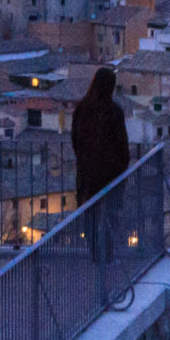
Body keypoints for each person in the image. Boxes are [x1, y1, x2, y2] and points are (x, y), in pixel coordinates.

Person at [71, 66, 132, 264]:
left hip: (87, 173)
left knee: (90, 215)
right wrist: (122, 166)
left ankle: (95, 254)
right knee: (111, 215)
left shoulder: (81, 109)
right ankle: (108, 255)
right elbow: (122, 144)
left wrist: (83, 161)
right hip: (111, 174)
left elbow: (75, 140)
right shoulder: (114, 111)